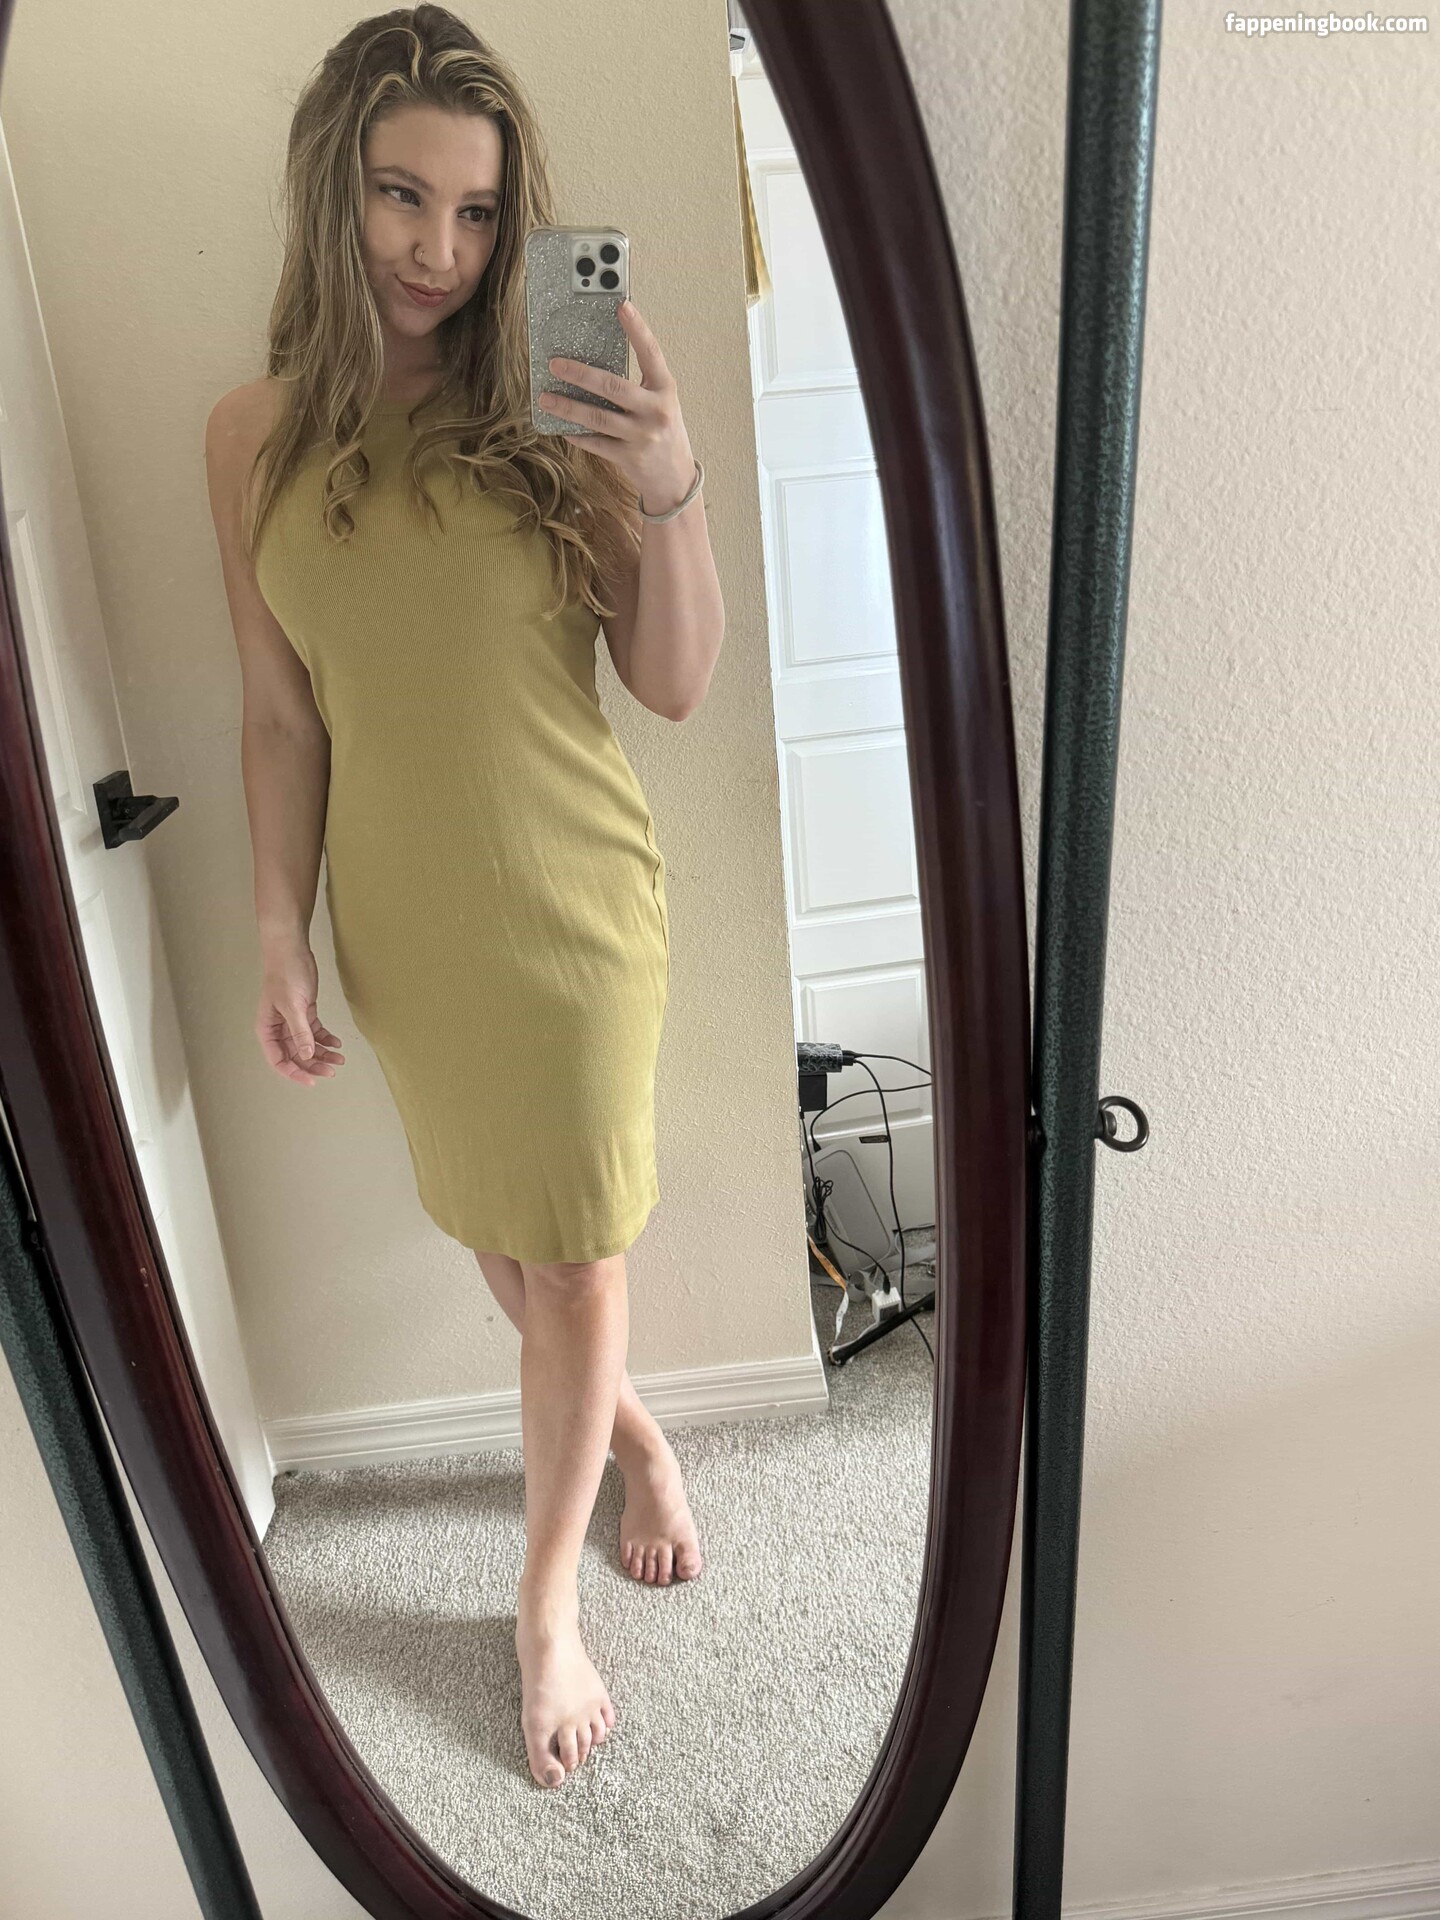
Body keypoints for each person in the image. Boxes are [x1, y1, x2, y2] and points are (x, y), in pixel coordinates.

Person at [203, 5, 724, 1791]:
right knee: (511, 1247)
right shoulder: (248, 438)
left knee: (571, 1256)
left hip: (571, 915)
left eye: (483, 211)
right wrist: (276, 925)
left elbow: (674, 683)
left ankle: (543, 1603)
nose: (441, 248)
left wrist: (667, 482)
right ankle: (638, 1446)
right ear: (330, 189)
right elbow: (280, 715)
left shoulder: (552, 409)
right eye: (401, 195)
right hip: (407, 930)